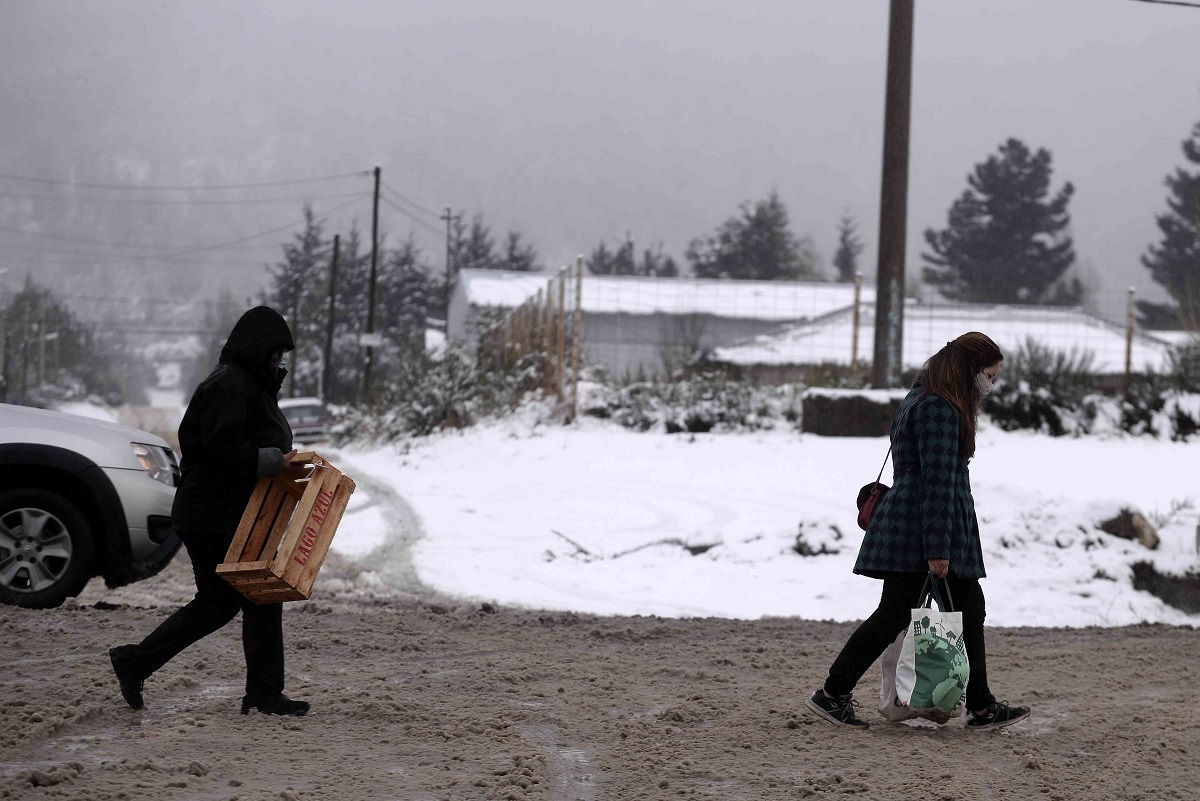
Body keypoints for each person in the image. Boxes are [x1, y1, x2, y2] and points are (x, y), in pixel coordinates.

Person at [806, 331, 1030, 730]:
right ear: (970, 370)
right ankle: (832, 693)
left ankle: (981, 706)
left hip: (918, 524)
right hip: (924, 528)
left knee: (964, 608)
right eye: (988, 376)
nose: (990, 385)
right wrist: (938, 550)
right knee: (895, 613)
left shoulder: (920, 397)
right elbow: (937, 482)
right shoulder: (939, 408)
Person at [109, 306, 312, 716]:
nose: (279, 362)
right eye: (275, 353)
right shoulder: (231, 385)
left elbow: (243, 443)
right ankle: (263, 693)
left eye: (283, 356)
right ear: (257, 348)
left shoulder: (246, 383)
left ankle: (136, 662)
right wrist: (274, 461)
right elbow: (221, 447)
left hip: (218, 512)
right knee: (257, 594)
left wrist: (281, 463)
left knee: (221, 602)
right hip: (215, 514)